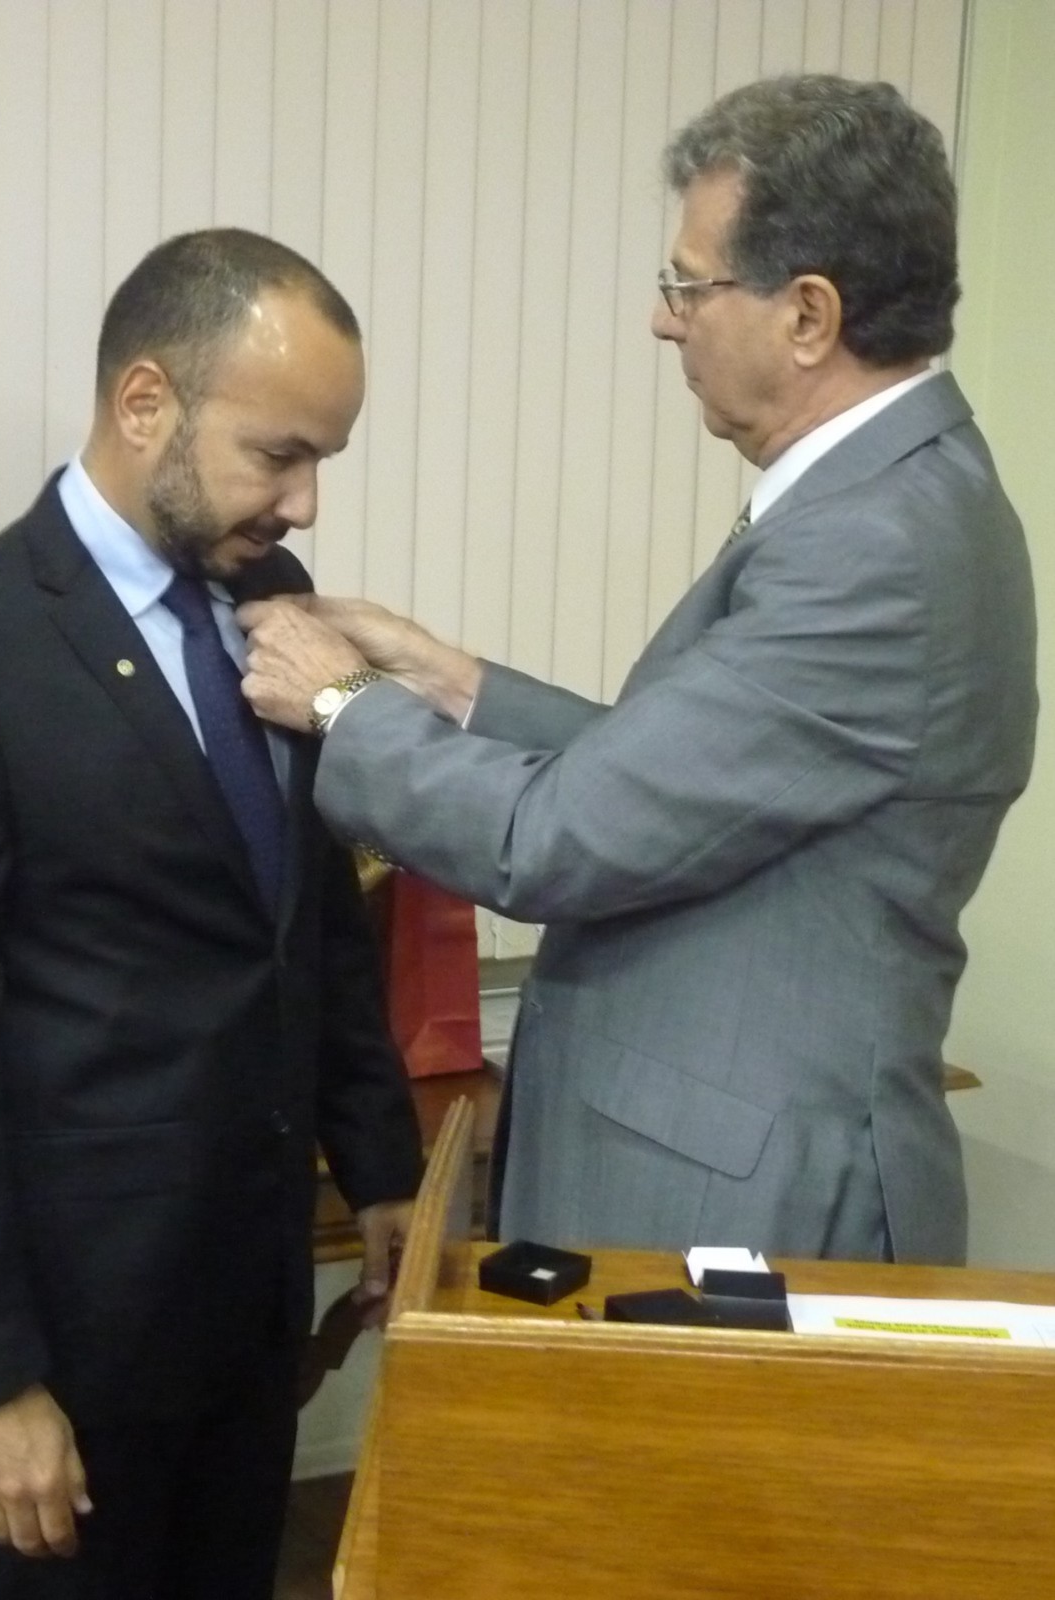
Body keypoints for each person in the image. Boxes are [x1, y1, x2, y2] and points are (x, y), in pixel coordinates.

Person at [240, 75, 1036, 1267]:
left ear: (807, 315)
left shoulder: (874, 543)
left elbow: (555, 839)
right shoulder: (892, 496)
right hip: (720, 1168)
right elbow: (692, 776)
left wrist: (340, 703)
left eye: (689, 286)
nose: (666, 322)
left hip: (742, 1201)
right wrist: (450, 677)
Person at [0, 227, 423, 1600]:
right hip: (61, 1347)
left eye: (322, 458)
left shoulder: (270, 604)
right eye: (278, 454)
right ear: (144, 401)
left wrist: (380, 1166)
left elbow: (310, 925)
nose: (306, 501)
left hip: (247, 1314)